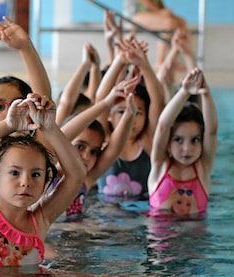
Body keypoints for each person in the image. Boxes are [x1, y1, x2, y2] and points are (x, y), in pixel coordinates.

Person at [0, 94, 87, 266]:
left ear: (45, 182)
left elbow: (76, 174)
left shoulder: (40, 221)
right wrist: (9, 125)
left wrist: (50, 127)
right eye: (15, 173)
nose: (26, 182)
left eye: (36, 175)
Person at [55, 76, 140, 221]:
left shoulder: (84, 180)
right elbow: (65, 108)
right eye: (80, 146)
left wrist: (129, 114)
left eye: (94, 152)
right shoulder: (46, 173)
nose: (87, 156)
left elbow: (114, 149)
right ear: (64, 143)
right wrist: (106, 103)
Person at [95, 37, 165, 202]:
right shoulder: (105, 141)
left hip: (139, 214)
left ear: (147, 116)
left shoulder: (147, 142)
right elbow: (101, 99)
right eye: (121, 112)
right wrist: (119, 61)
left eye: (137, 113)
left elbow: (158, 101)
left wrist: (144, 65)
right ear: (110, 117)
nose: (130, 118)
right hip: (105, 213)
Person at [148, 67, 218, 217]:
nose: (187, 148)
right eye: (178, 140)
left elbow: (211, 131)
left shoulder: (203, 168)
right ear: (167, 143)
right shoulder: (160, 165)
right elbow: (163, 125)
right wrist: (184, 92)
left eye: (195, 140)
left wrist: (205, 93)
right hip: (161, 239)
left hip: (195, 239)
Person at [127, 0, 189, 70]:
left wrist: (167, 12)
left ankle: (173, 58)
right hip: (136, 16)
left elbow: (160, 6)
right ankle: (159, 61)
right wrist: (160, 12)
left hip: (153, 14)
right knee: (168, 23)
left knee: (181, 22)